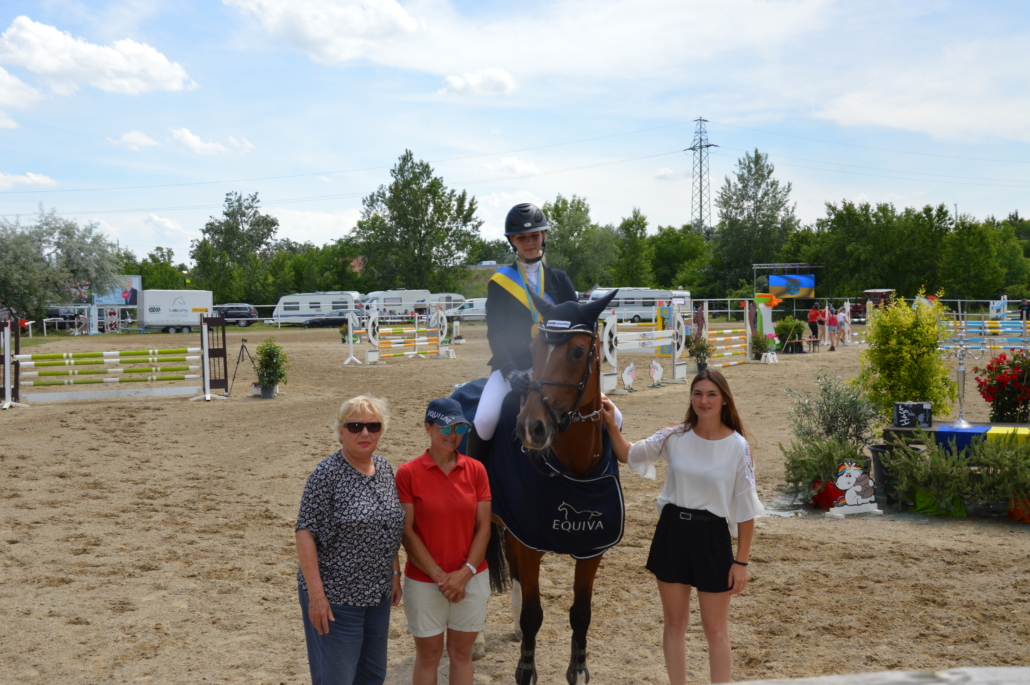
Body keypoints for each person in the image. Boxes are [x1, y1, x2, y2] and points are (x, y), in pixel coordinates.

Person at [599, 369, 763, 685]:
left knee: (715, 629)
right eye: (698, 393)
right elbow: (629, 454)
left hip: (713, 537)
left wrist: (741, 562)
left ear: (724, 400)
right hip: (672, 532)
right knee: (675, 623)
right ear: (691, 397)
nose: (704, 400)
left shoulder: (737, 446)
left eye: (711, 394)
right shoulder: (675, 436)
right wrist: (609, 424)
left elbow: (745, 509)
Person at [295, 396, 404, 685]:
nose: (364, 433)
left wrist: (395, 573)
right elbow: (305, 533)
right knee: (337, 677)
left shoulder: (384, 469)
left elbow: (388, 524)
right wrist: (317, 597)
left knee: (371, 675)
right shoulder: (325, 475)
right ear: (341, 431)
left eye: (373, 426)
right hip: (336, 598)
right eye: (355, 426)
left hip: (377, 595)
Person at [396, 398, 492, 685]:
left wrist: (464, 573)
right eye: (446, 427)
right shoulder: (407, 473)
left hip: (471, 578)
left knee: (461, 654)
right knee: (429, 655)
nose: (454, 435)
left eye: (460, 427)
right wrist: (440, 576)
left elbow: (484, 527)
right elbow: (407, 532)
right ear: (428, 428)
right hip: (425, 582)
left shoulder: (476, 470)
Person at [474, 203, 579, 441]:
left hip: (555, 370)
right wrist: (510, 372)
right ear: (513, 241)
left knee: (613, 417)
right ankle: (477, 477)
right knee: (484, 421)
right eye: (522, 238)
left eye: (535, 236)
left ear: (544, 236)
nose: (530, 242)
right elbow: (496, 333)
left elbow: (577, 328)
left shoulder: (560, 280)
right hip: (513, 367)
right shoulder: (500, 283)